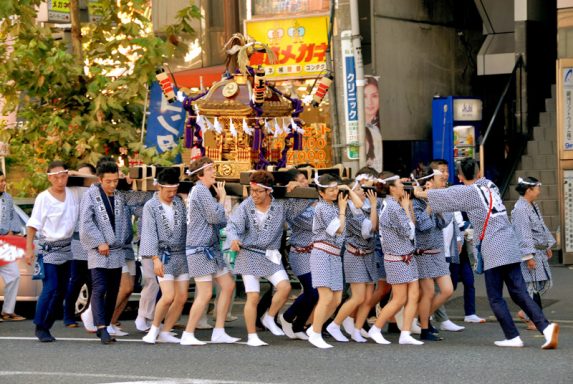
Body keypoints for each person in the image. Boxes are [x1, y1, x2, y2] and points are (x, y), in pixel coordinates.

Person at [414, 158, 559, 349]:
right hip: (510, 244)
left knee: (495, 297)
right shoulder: (490, 186)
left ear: (459, 176)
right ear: (479, 171)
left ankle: (512, 336)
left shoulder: (468, 192)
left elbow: (445, 196)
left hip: (494, 248)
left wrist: (419, 192)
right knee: (520, 293)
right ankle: (546, 328)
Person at [226, 170, 309, 347]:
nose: (253, 194)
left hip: (270, 254)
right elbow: (233, 225)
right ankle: (252, 335)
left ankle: (269, 317)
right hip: (248, 254)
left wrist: (297, 189)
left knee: (285, 287)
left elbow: (302, 204)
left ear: (268, 191)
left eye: (258, 191)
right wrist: (233, 238)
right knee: (253, 296)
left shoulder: (281, 205)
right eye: (251, 190)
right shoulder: (246, 206)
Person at [80, 160, 150, 344]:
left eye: (115, 181)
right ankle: (101, 327)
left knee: (113, 290)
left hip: (118, 250)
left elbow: (141, 199)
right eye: (108, 181)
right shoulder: (91, 196)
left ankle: (106, 323)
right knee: (100, 287)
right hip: (99, 250)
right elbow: (86, 222)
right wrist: (99, 241)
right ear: (100, 179)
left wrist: (156, 188)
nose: (112, 185)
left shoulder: (120, 195)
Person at [181, 157, 238, 346]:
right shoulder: (201, 190)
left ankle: (219, 330)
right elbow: (216, 217)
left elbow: (218, 220)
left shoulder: (200, 191)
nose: (214, 172)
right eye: (211, 169)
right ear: (200, 174)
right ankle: (188, 333)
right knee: (205, 293)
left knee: (228, 285)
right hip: (200, 249)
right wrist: (221, 199)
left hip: (208, 248)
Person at [25, 161, 81, 341]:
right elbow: (32, 225)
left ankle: (47, 325)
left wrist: (72, 172)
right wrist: (29, 249)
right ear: (49, 178)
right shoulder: (44, 198)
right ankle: (40, 326)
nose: (60, 179)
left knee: (63, 290)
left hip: (66, 248)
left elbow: (92, 180)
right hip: (48, 248)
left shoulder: (73, 194)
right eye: (55, 176)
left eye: (63, 175)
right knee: (51, 288)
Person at [306, 174, 363, 349]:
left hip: (335, 255)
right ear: (321, 193)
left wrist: (346, 189)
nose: (334, 192)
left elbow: (359, 205)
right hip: (322, 253)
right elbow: (337, 230)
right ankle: (315, 332)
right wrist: (343, 209)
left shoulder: (334, 204)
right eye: (330, 190)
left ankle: (314, 329)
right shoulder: (322, 208)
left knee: (337, 298)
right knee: (326, 296)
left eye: (335, 188)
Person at [368, 172, 423, 346]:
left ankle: (405, 333)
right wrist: (407, 207)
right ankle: (376, 328)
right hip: (397, 257)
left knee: (414, 294)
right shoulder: (392, 207)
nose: (403, 187)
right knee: (399, 298)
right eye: (400, 184)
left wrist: (407, 207)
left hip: (405, 255)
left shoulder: (391, 204)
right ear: (391, 188)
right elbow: (409, 231)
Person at [326, 176, 379, 343]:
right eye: (357, 189)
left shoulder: (366, 206)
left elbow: (375, 227)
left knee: (368, 298)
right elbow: (368, 230)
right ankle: (334, 324)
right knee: (358, 297)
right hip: (354, 255)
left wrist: (374, 206)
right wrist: (373, 206)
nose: (362, 192)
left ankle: (357, 329)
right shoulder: (348, 209)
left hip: (369, 254)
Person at [140, 168, 189, 344]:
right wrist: (155, 259)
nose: (171, 194)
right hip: (163, 255)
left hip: (181, 254)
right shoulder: (150, 206)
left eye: (174, 191)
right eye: (168, 191)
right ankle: (153, 329)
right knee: (168, 296)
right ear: (158, 188)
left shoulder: (179, 203)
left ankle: (166, 331)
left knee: (182, 297)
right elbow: (149, 233)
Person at [412, 167, 454, 341]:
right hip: (423, 253)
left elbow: (444, 222)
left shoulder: (439, 199)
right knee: (428, 293)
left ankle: (419, 319)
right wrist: (429, 204)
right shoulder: (414, 202)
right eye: (440, 179)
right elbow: (423, 226)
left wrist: (434, 202)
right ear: (428, 182)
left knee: (447, 290)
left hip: (437, 252)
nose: (443, 182)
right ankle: (424, 326)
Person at [511, 177, 556, 331]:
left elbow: (541, 227)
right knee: (532, 288)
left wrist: (547, 245)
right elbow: (523, 234)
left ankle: (526, 312)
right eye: (537, 187)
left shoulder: (532, 205)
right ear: (529, 190)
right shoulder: (520, 209)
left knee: (545, 284)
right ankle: (534, 319)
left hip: (539, 250)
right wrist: (528, 256)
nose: (539, 190)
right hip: (531, 252)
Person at [279, 170, 319, 341]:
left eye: (307, 180)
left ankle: (298, 326)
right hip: (300, 253)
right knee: (313, 292)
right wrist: (310, 198)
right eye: (302, 181)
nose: (306, 183)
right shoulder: (292, 205)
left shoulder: (312, 199)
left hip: (315, 253)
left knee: (315, 292)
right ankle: (288, 317)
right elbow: (312, 223)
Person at [63, 163, 96, 328]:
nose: (80, 178)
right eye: (78, 175)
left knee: (93, 281)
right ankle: (68, 315)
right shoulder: (73, 190)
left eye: (85, 176)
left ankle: (90, 314)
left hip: (94, 242)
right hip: (76, 241)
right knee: (76, 279)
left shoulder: (96, 189)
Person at [0, 170, 26, 322]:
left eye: (4, 180)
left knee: (14, 275)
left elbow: (13, 217)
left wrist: (14, 230)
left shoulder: (7, 198)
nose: (3, 183)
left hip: (4, 244)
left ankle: (8, 311)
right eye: (1, 181)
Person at [364, 76, 382, 172]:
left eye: (374, 96)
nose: (369, 102)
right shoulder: (358, 130)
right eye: (364, 96)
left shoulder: (376, 131)